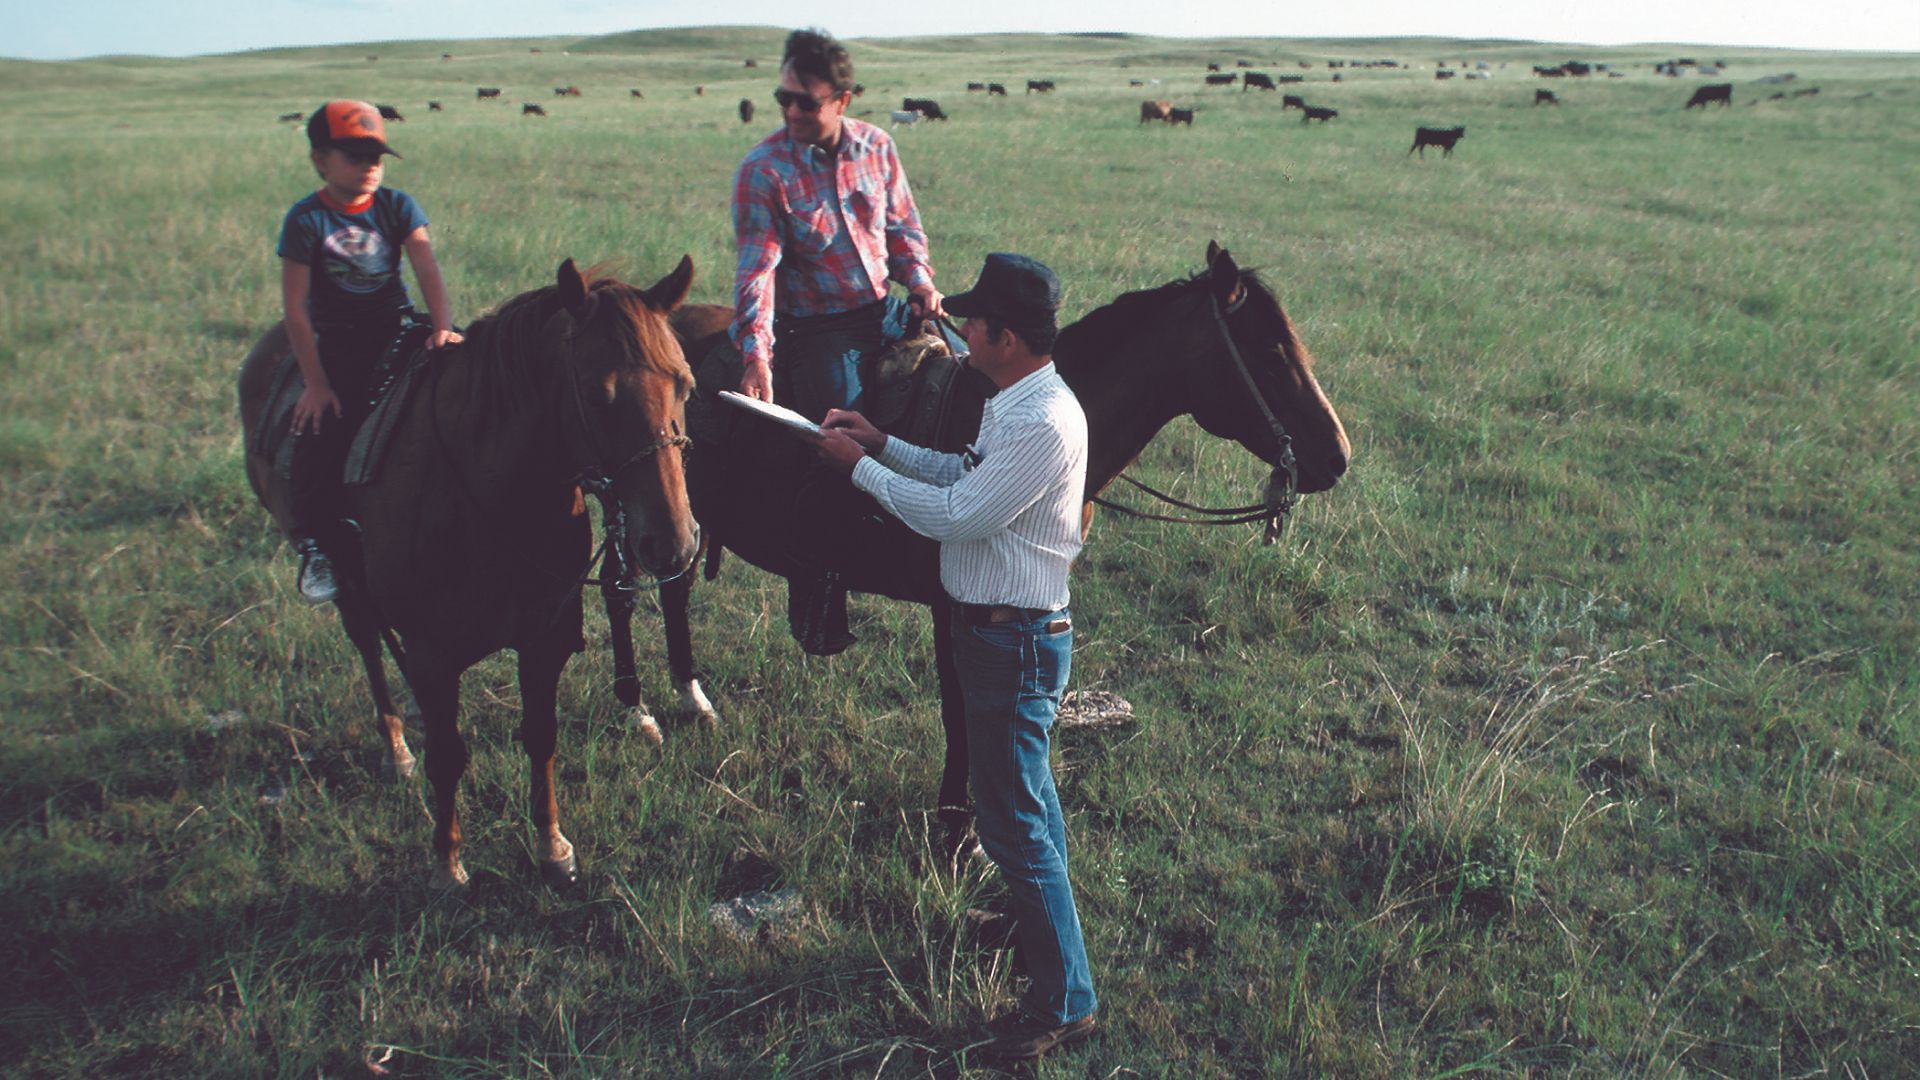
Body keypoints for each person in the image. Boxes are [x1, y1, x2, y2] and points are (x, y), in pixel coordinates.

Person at [814, 254, 1098, 1061]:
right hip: (1000, 633)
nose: (957, 329)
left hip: (1012, 642)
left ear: (1004, 337)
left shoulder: (1041, 422)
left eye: (970, 323)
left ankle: (1063, 1002)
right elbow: (963, 474)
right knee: (1022, 802)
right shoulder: (1015, 400)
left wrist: (860, 469)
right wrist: (886, 443)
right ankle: (1031, 920)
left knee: (1012, 819)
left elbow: (954, 516)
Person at [277, 99, 462, 603]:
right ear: (320, 160)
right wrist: (315, 384)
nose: (369, 167)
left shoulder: (397, 206)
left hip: (397, 327)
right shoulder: (307, 219)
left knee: (465, 389)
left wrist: (443, 328)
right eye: (354, 156)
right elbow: (295, 307)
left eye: (376, 156)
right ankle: (317, 545)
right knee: (322, 428)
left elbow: (427, 270)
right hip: (340, 339)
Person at [730, 26, 944, 419]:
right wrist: (755, 355)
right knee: (843, 435)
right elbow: (756, 274)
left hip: (887, 310)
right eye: (784, 99)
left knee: (969, 384)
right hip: (818, 329)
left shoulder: (877, 146)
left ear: (842, 100)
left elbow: (902, 228)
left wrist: (920, 282)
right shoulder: (764, 171)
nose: (792, 112)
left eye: (806, 103)